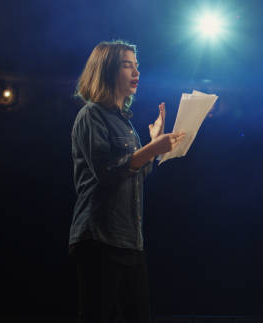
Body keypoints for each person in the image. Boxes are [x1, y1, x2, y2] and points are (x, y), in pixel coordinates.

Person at [68, 40, 185, 323]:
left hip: (131, 241)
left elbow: (137, 174)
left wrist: (154, 145)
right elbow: (107, 172)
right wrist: (150, 150)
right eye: (127, 65)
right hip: (99, 239)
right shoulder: (91, 115)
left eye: (137, 66)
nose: (136, 72)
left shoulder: (127, 125)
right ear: (107, 71)